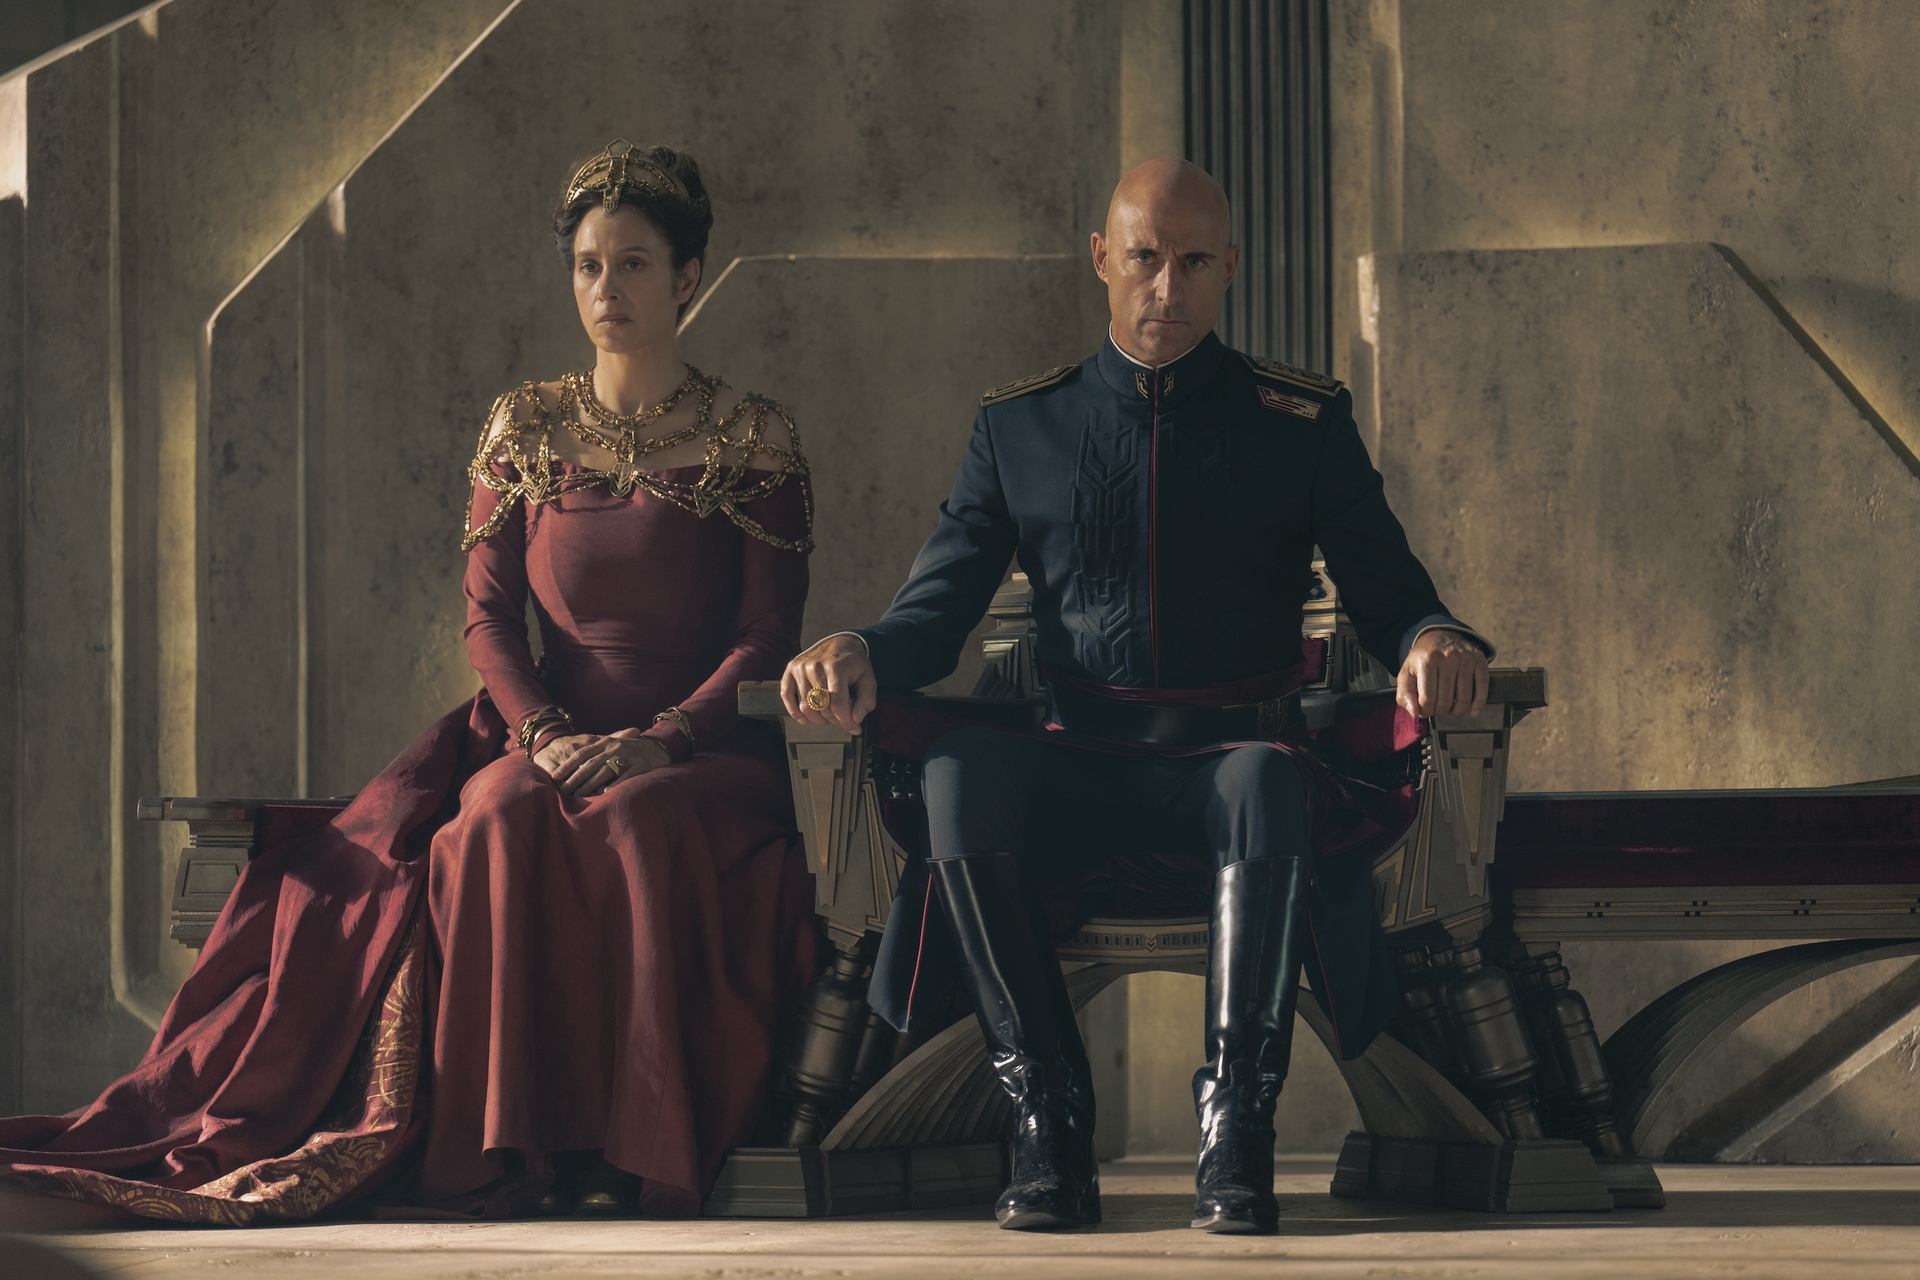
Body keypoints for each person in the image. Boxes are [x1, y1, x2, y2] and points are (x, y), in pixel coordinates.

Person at [1, 141, 819, 1223]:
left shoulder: (752, 433)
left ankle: (636, 1151)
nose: (605, 289)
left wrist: (662, 738)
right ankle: (507, 1153)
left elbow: (766, 636)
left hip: (703, 755)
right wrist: (542, 738)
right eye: (586, 265)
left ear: (688, 276)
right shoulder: (524, 426)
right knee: (483, 823)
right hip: (550, 735)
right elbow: (489, 619)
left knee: (640, 820)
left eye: (632, 264)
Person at [780, 158, 1492, 1235]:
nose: (1169, 286)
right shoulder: (1020, 428)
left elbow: (1396, 594)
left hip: (1230, 766)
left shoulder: (1301, 421)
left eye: (1195, 261)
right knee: (959, 774)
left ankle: (1235, 1134)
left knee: (1264, 781)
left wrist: (1436, 635)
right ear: (1103, 260)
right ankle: (1049, 1123)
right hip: (1079, 759)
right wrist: (855, 644)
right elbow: (932, 613)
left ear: (1231, 269)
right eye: (1146, 257)